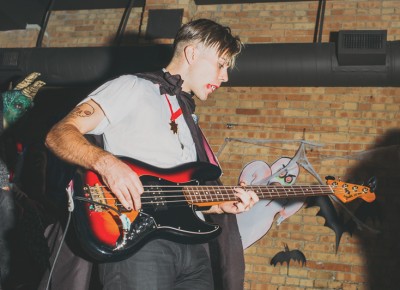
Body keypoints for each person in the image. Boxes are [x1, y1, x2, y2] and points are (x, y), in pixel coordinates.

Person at [45, 18, 259, 289]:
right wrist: (107, 163)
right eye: (220, 64)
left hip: (193, 249)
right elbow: (59, 133)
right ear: (192, 54)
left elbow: (175, 191)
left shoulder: (187, 114)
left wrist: (219, 205)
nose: (224, 77)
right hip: (139, 241)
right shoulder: (132, 87)